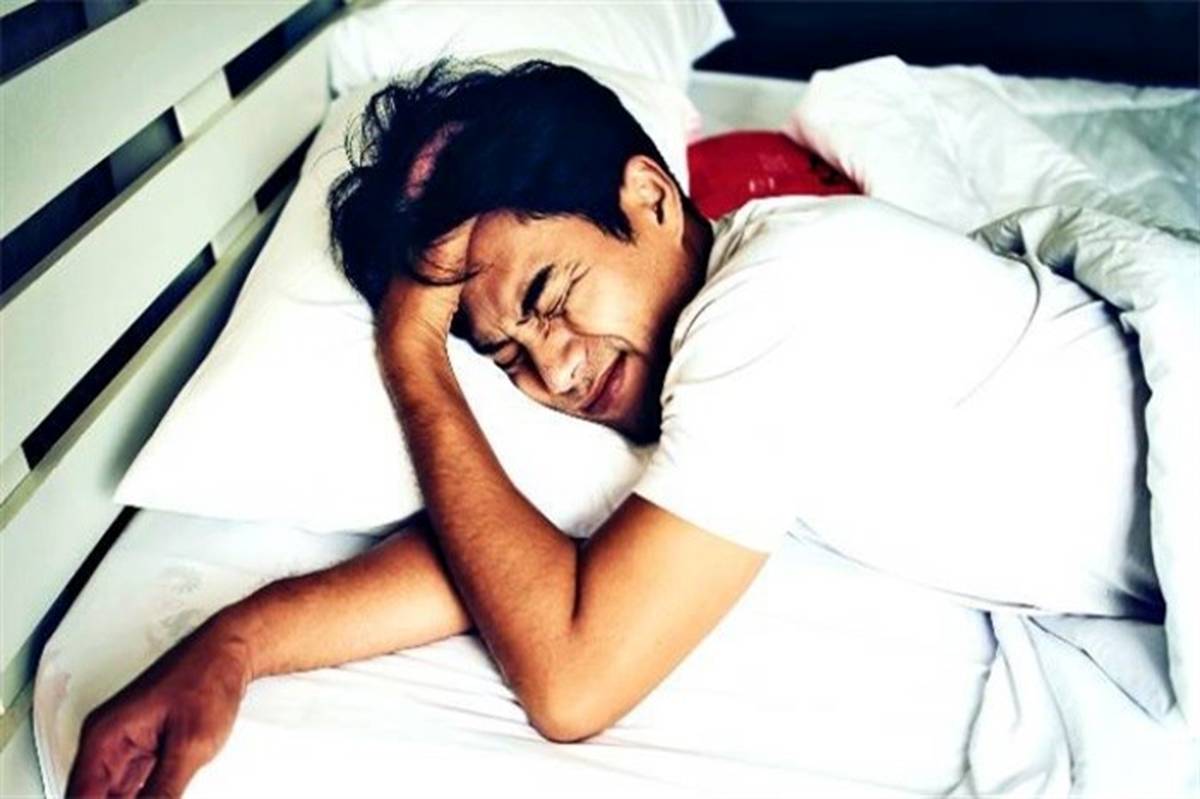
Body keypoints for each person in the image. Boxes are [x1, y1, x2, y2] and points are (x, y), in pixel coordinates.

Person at [67, 59, 1156, 798]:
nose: (553, 370)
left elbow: (573, 676)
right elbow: (511, 554)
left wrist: (414, 363)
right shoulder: (666, 351)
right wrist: (232, 648)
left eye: (549, 298)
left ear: (651, 197)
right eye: (504, 355)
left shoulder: (771, 301)